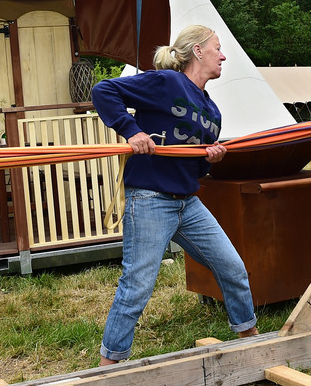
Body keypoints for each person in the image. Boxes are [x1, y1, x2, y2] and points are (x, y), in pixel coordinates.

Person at [91, 24, 259, 366]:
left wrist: (209, 160)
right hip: (150, 198)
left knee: (233, 267)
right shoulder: (167, 82)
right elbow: (103, 90)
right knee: (137, 284)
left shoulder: (213, 112)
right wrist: (132, 130)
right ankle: (108, 366)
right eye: (217, 48)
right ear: (197, 51)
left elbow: (194, 170)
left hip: (188, 202)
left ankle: (251, 340)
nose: (223, 55)